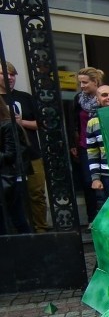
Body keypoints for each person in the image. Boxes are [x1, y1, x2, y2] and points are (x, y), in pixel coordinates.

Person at [0, 61, 47, 233]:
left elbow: (41, 124)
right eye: (5, 74)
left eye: (13, 74)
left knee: (36, 193)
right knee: (12, 196)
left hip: (31, 153)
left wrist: (21, 122)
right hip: (7, 159)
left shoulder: (25, 97)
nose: (10, 77)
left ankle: (41, 230)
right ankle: (16, 233)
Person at [71, 66, 104, 226]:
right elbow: (75, 122)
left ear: (95, 81)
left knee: (105, 180)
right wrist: (74, 143)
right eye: (80, 83)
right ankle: (92, 217)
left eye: (85, 82)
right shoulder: (79, 99)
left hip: (103, 144)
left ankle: (106, 215)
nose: (82, 86)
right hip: (85, 145)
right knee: (88, 180)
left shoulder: (104, 97)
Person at [0, 96, 32, 234]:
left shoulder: (7, 125)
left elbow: (11, 155)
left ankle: (28, 247)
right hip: (6, 175)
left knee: (17, 216)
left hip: (10, 177)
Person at [86, 85, 109, 198]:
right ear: (97, 99)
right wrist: (95, 178)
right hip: (108, 176)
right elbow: (92, 152)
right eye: (104, 95)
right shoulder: (93, 123)